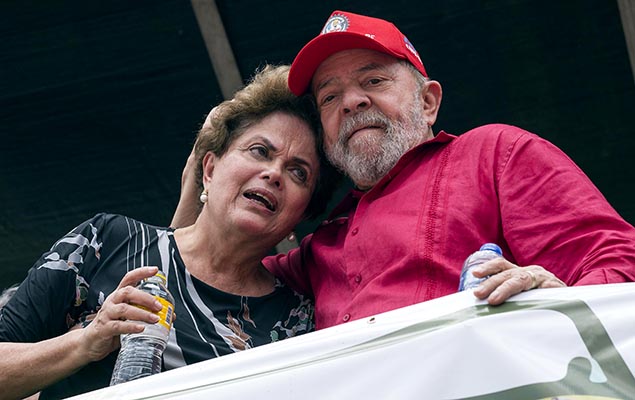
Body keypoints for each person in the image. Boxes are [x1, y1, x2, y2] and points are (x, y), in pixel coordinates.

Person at [172, 10, 635, 331]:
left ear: (428, 102)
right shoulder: (319, 249)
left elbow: (619, 265)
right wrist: (202, 164)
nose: (352, 101)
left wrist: (549, 293)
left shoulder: (494, 152)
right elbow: (200, 272)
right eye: (330, 97)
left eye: (373, 80)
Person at [0, 64, 339, 399]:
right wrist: (86, 341)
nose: (274, 173)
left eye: (299, 173)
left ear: (302, 213)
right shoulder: (107, 241)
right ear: (209, 169)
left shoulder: (297, 321)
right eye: (260, 151)